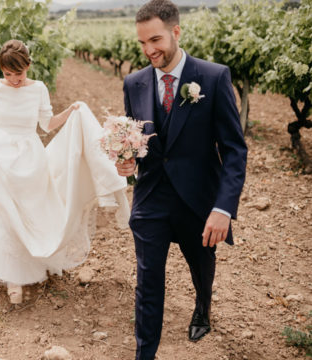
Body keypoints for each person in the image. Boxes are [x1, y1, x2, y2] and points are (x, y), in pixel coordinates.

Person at [0, 40, 130, 304]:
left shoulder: (39, 89)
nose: (13, 80)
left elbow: (45, 125)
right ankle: (13, 276)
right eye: (7, 74)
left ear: (28, 66)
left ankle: (34, 258)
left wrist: (70, 112)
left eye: (18, 74)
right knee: (8, 209)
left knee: (31, 209)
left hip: (31, 156)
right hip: (1, 152)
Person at [116, 1, 247, 358]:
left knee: (201, 266)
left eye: (155, 40)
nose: (148, 50)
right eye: (142, 43)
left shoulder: (214, 77)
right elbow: (135, 142)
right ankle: (145, 353)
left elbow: (234, 149)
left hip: (199, 202)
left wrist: (224, 208)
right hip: (151, 199)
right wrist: (124, 163)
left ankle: (203, 307)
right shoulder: (133, 82)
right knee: (147, 283)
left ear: (176, 32)